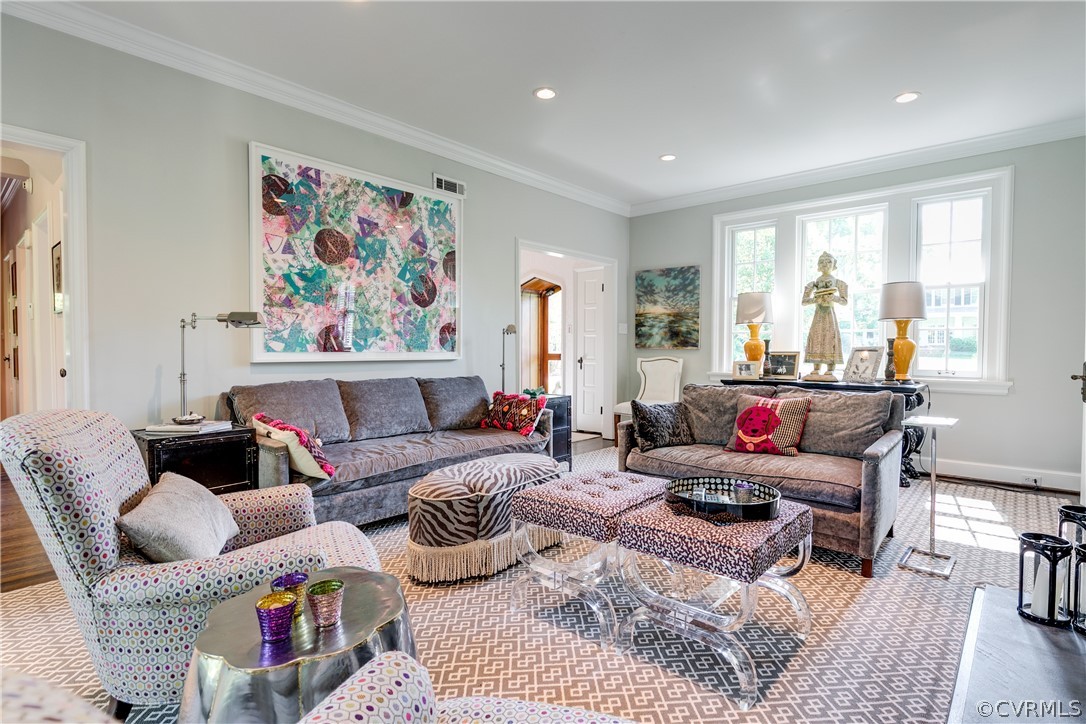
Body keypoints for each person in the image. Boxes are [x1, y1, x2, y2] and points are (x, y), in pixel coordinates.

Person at [802, 251, 848, 378]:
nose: (825, 264)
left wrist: (833, 298)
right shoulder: (814, 283)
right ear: (818, 265)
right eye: (822, 262)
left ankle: (830, 368)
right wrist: (815, 300)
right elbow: (804, 301)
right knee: (816, 337)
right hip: (818, 314)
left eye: (828, 262)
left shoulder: (838, 282)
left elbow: (844, 301)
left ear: (834, 265)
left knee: (830, 337)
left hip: (829, 314)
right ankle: (816, 367)